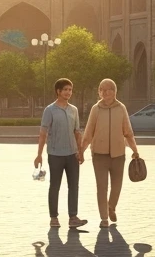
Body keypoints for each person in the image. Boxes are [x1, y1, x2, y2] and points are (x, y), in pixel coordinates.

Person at [80, 78, 142, 228]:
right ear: (99, 92)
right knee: (102, 186)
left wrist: (135, 150)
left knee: (117, 186)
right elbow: (88, 132)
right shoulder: (96, 109)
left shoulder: (121, 108)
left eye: (110, 89)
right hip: (99, 155)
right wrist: (81, 151)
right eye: (103, 90)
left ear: (115, 91)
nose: (106, 92)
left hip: (118, 154)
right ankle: (104, 218)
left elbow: (128, 132)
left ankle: (111, 207)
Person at [35, 78, 87, 229]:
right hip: (55, 154)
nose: (68, 92)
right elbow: (43, 133)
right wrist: (39, 154)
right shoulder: (49, 110)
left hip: (72, 154)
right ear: (58, 91)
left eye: (70, 90)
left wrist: (81, 151)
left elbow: (77, 132)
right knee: (55, 186)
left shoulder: (74, 110)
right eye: (65, 89)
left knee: (74, 186)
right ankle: (54, 218)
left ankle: (73, 217)